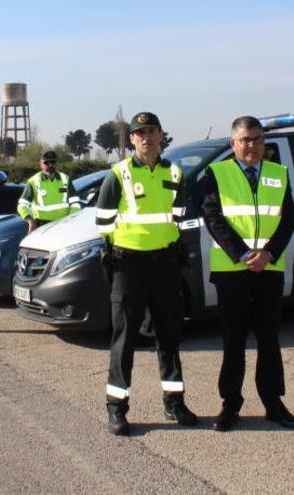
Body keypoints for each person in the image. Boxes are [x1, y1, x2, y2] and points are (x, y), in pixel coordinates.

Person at [95, 111, 196, 436]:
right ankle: (117, 409)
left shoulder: (176, 173)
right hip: (129, 266)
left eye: (152, 132)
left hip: (165, 265)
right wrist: (123, 249)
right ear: (132, 139)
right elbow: (103, 225)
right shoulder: (118, 174)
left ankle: (174, 403)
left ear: (161, 136)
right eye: (140, 133)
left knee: (169, 336)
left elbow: (179, 216)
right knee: (124, 340)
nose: (146, 138)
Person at [202, 115, 294, 431]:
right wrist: (244, 254)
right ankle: (230, 405)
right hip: (233, 271)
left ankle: (274, 403)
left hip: (269, 270)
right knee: (233, 342)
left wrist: (269, 253)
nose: (253, 145)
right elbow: (213, 217)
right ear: (234, 143)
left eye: (258, 139)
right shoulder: (217, 173)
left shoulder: (279, 173)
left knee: (269, 341)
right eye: (246, 139)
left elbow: (288, 221)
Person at [17, 149, 81, 232]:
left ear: (56, 163)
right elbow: (22, 205)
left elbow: (75, 203)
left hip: (63, 226)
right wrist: (30, 221)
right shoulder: (33, 181)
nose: (50, 165)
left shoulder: (66, 179)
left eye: (53, 162)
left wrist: (70, 219)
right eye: (46, 163)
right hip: (41, 227)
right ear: (41, 164)